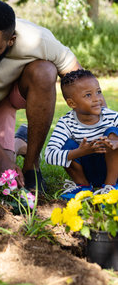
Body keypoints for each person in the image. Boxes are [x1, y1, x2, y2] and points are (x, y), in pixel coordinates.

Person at [0, 0, 82, 191]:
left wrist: (98, 123)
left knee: (44, 71)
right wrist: (3, 160)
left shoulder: (37, 39)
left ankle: (31, 165)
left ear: (11, 40)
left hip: (19, 91)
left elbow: (77, 78)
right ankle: (20, 142)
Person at [45, 69, 118, 200]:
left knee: (112, 132)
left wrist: (116, 143)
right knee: (67, 144)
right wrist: (80, 152)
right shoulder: (66, 123)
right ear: (72, 103)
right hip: (86, 170)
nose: (97, 99)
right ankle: (83, 187)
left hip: (112, 169)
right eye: (88, 95)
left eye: (99, 92)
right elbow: (49, 155)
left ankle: (110, 187)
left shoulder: (111, 117)